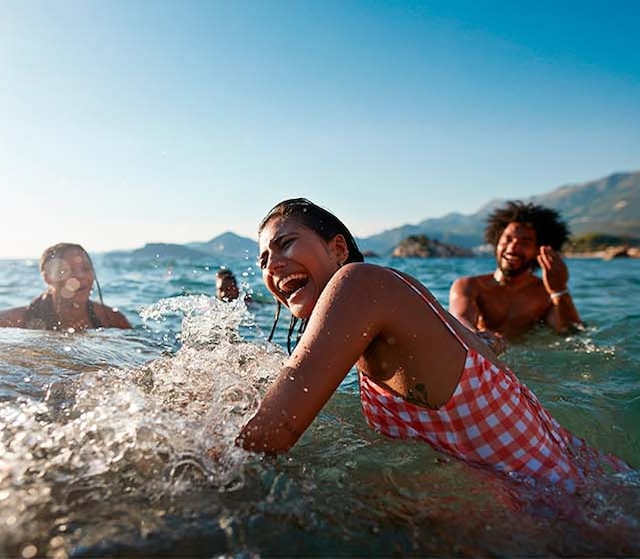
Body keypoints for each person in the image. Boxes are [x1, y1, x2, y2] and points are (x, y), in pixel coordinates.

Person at [235, 198, 620, 486]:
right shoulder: (401, 297)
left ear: (337, 249)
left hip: (562, 507)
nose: (272, 265)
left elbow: (270, 435)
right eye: (263, 259)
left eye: (285, 244)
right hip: (576, 482)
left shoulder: (360, 284)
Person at [448, 201, 584, 351]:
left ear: (539, 250)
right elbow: (459, 322)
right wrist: (480, 339)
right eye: (508, 239)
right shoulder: (470, 286)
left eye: (524, 242)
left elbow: (570, 333)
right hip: (486, 354)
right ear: (497, 241)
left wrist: (559, 290)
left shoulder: (545, 294)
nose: (512, 248)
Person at [0, 243, 133, 331]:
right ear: (47, 277)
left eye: (86, 268)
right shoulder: (7, 322)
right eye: (66, 270)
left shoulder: (112, 320)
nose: (80, 276)